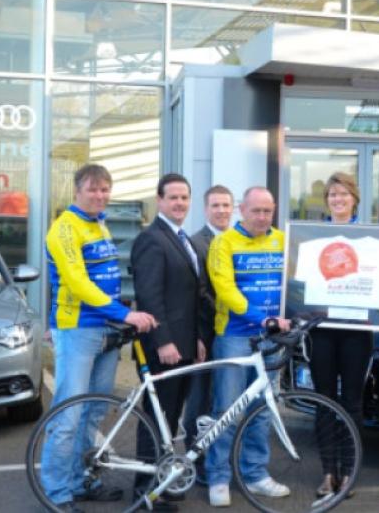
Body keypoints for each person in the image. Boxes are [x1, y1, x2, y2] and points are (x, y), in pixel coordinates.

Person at [40, 164, 156, 513]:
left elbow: (103, 278)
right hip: (79, 330)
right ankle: (57, 493)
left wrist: (118, 312)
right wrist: (125, 314)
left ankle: (80, 481)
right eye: (93, 189)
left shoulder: (99, 223)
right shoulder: (64, 228)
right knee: (68, 416)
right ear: (77, 190)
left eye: (105, 189)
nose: (100, 195)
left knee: (93, 412)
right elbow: (76, 282)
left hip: (105, 329)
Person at [205, 186, 291, 508]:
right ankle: (218, 476)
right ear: (242, 209)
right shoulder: (223, 242)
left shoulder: (282, 240)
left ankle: (255, 474)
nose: (261, 217)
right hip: (235, 336)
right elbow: (225, 290)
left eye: (267, 211)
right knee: (227, 408)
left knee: (263, 408)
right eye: (255, 210)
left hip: (271, 338)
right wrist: (262, 318)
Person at [130, 173, 208, 510]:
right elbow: (149, 295)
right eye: (173, 197)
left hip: (186, 344)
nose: (179, 203)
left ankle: (160, 482)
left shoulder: (182, 238)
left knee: (170, 418)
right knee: (157, 415)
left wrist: (198, 340)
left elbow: (192, 295)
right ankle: (144, 490)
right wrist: (163, 341)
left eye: (184, 198)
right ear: (159, 200)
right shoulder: (152, 239)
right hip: (165, 347)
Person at [310, 172, 372, 499]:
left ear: (354, 199)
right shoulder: (313, 236)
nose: (338, 200)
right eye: (332, 195)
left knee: (352, 401)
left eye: (343, 194)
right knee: (324, 401)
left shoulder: (368, 237)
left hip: (356, 333)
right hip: (321, 331)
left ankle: (349, 471)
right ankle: (328, 472)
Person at [182, 184, 234, 485]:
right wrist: (201, 335)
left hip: (235, 334)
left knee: (226, 402)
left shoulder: (239, 241)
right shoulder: (195, 243)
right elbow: (197, 295)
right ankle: (196, 462)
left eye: (226, 205)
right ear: (206, 209)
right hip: (207, 334)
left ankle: (223, 461)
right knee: (199, 403)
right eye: (216, 205)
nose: (222, 211)